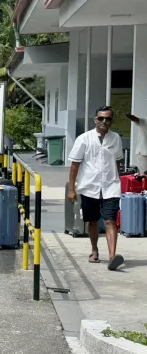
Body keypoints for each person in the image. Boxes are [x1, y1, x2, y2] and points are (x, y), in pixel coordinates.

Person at [68, 106, 124, 270]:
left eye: (108, 119)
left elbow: (118, 160)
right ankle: (94, 250)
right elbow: (74, 166)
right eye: (101, 118)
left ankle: (113, 256)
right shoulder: (84, 139)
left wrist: (119, 178)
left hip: (110, 186)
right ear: (95, 120)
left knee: (110, 220)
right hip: (89, 186)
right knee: (92, 221)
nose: (104, 122)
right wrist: (71, 189)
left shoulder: (116, 138)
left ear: (111, 121)